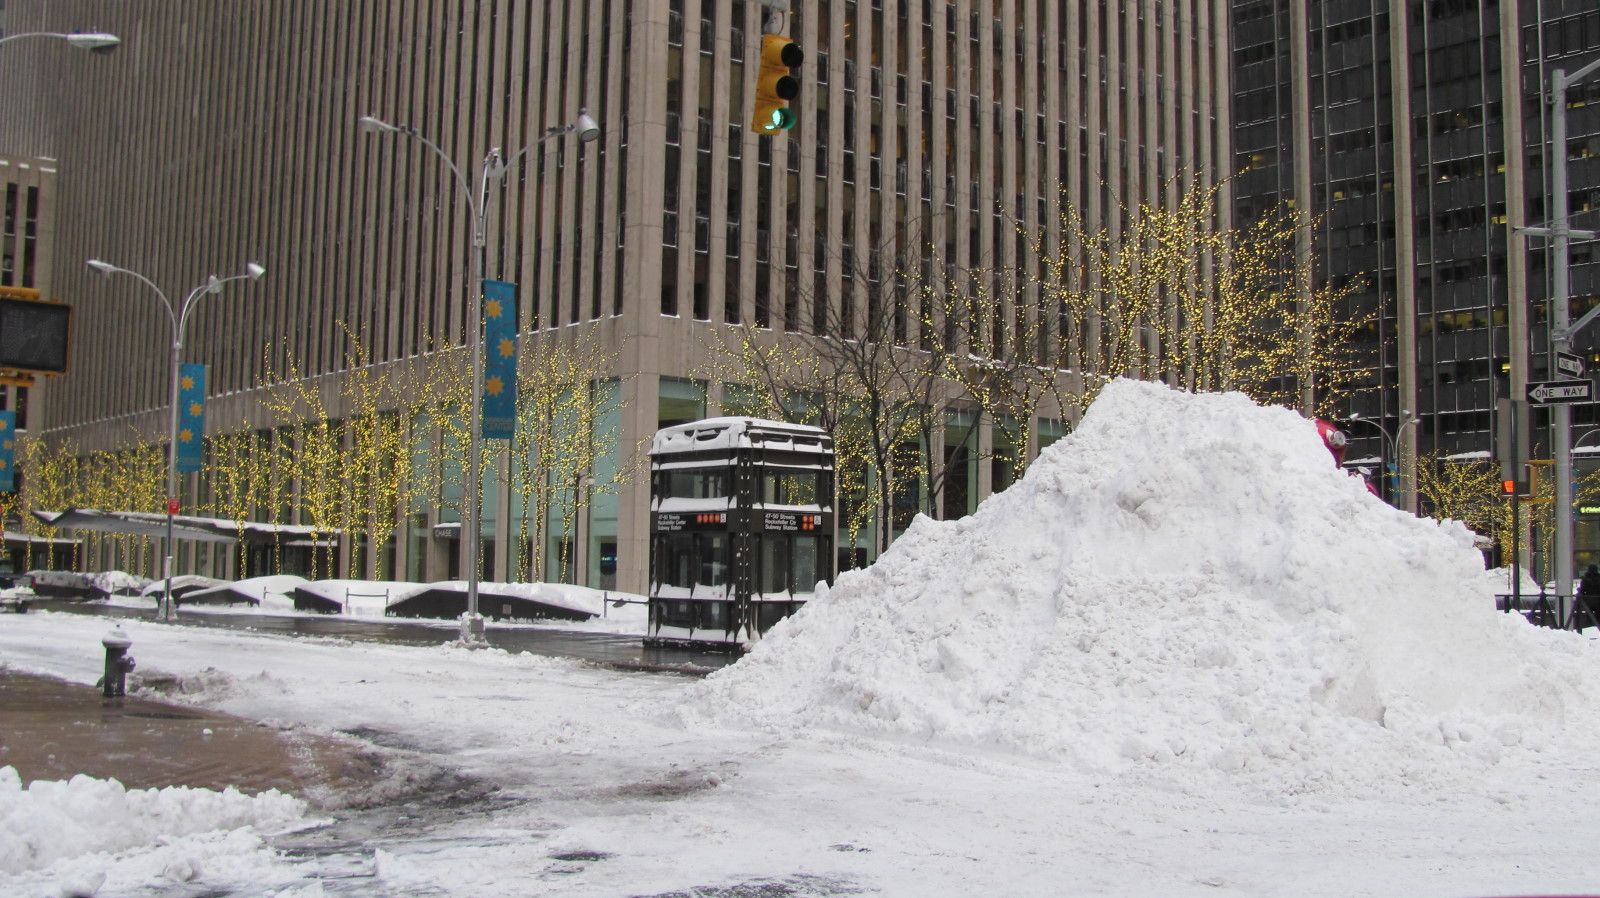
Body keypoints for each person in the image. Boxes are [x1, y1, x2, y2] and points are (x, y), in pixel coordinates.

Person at [1577, 565, 1600, 630]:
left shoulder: (1585, 579)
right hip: (1598, 600)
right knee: (1598, 616)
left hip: (1588, 601)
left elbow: (1582, 590)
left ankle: (1589, 626)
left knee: (1589, 615)